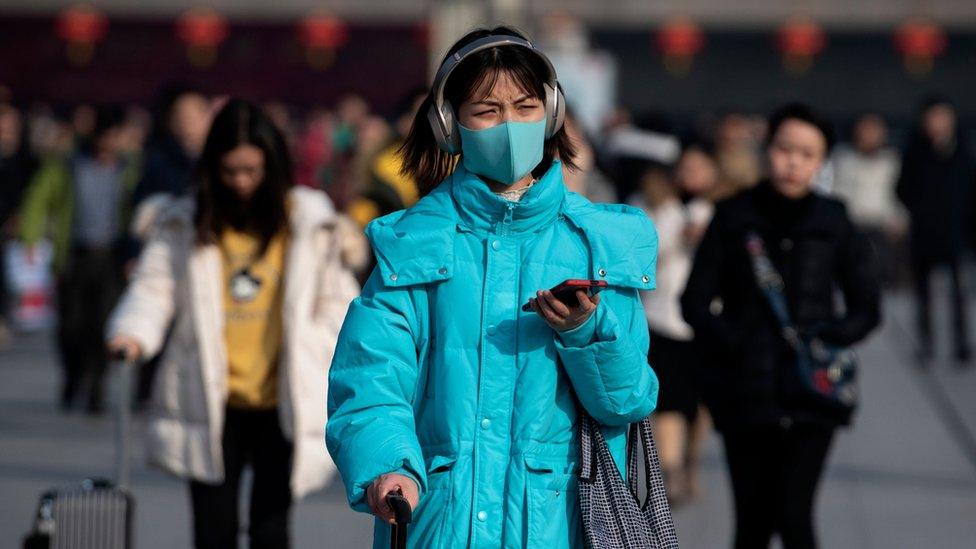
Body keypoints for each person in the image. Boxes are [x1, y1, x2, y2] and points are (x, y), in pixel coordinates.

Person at [326, 26, 659, 548]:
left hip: (560, 525)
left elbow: (628, 402)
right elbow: (370, 378)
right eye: (487, 111)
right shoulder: (413, 243)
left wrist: (587, 332)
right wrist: (389, 467)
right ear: (448, 124)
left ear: (550, 115)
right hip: (441, 521)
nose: (509, 126)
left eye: (525, 107)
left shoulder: (597, 243)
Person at [106, 99, 362, 548]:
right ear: (212, 169)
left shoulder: (307, 223)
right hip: (210, 395)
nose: (242, 182)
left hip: (282, 396)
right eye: (230, 170)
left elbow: (339, 301)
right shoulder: (186, 222)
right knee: (213, 531)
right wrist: (134, 332)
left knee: (271, 529)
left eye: (252, 170)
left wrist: (325, 349)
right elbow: (154, 288)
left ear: (272, 165)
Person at [681, 103, 881, 549]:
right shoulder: (734, 215)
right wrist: (734, 343)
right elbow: (694, 301)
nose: (794, 162)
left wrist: (828, 337)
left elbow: (867, 307)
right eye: (785, 149)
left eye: (808, 154)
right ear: (767, 149)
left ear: (821, 161)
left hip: (813, 395)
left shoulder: (833, 219)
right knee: (750, 523)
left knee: (795, 517)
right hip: (744, 392)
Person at [19, 105, 139, 413]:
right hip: (75, 256)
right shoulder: (68, 166)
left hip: (111, 258)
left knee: (103, 325)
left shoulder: (130, 170)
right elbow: (38, 200)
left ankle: (96, 387)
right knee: (71, 326)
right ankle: (73, 376)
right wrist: (30, 239)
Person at [633, 142, 718, 504]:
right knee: (667, 400)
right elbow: (639, 265)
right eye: (687, 167)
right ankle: (670, 473)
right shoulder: (654, 208)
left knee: (699, 405)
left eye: (701, 167)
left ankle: (688, 462)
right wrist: (676, 240)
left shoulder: (722, 212)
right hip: (661, 316)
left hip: (707, 321)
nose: (692, 175)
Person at [896, 97, 975, 366]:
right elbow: (902, 189)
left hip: (957, 232)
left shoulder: (963, 151)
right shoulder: (914, 152)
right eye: (933, 117)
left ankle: (962, 344)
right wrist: (921, 212)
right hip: (924, 233)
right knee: (924, 294)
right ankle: (926, 344)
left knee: (959, 293)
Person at [832, 113, 907, 288]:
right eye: (865, 130)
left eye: (874, 130)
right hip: (851, 226)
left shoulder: (891, 161)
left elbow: (896, 195)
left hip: (881, 228)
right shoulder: (843, 159)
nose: (870, 135)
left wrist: (898, 219)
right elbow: (835, 192)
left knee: (881, 279)